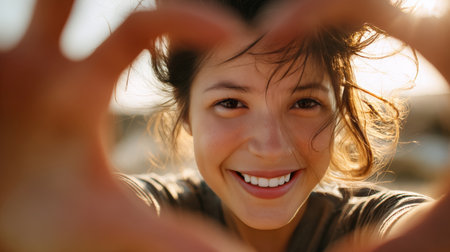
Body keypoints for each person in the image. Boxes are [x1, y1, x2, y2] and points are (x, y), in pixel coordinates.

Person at [0, 0, 449, 251]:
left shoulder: (377, 222)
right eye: (231, 102)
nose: (271, 147)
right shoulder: (147, 212)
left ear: (339, 112)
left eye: (306, 102)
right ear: (186, 113)